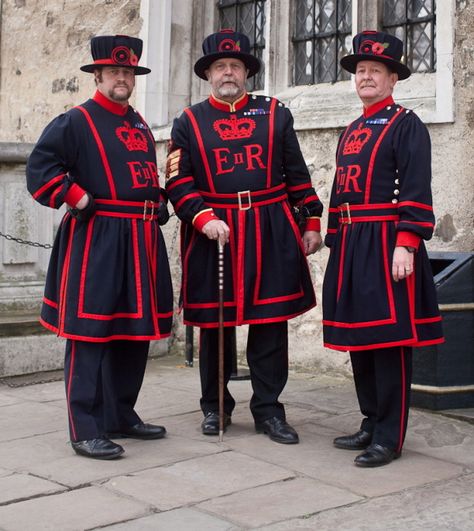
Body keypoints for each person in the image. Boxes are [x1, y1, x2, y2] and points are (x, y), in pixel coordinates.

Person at [166, 29, 323, 444]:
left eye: (235, 66)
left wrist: (311, 222)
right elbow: (177, 182)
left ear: (247, 72)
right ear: (209, 75)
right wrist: (202, 217)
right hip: (214, 231)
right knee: (216, 324)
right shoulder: (189, 121)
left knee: (270, 323)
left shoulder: (274, 113)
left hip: (270, 226)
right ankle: (215, 408)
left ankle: (269, 411)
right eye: (221, 67)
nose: (228, 73)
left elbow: (297, 175)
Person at [26, 35, 173, 460]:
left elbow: (141, 175)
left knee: (133, 333)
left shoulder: (139, 123)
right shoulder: (75, 121)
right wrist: (78, 198)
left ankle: (119, 415)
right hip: (97, 241)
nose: (123, 78)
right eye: (115, 72)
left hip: (141, 240)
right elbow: (40, 171)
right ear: (98, 75)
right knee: (90, 332)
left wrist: (157, 200)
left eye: (128, 73)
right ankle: (84, 427)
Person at [323, 30, 444, 467]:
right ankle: (371, 420)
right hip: (353, 244)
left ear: (393, 79)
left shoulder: (406, 124)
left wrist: (406, 244)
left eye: (376, 70)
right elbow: (340, 191)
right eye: (361, 71)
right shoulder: (352, 129)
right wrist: (333, 238)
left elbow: (415, 187)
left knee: (389, 340)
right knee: (360, 338)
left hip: (387, 241)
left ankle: (389, 437)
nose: (367, 77)